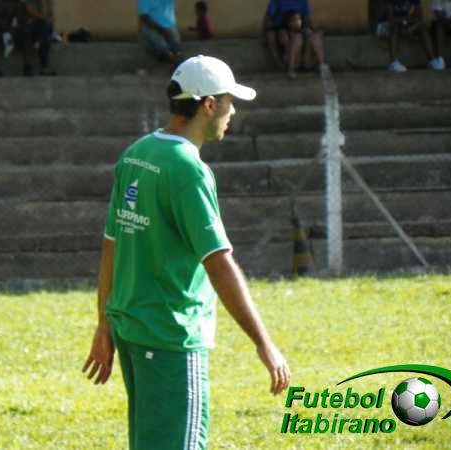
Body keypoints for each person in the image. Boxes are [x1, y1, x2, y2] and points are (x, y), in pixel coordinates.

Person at [83, 55, 291, 450]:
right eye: (229, 102)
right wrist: (264, 343)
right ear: (209, 104)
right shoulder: (188, 170)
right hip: (171, 338)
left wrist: (104, 325)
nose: (232, 113)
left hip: (131, 332)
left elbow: (111, 245)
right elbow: (219, 263)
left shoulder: (136, 154)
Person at [262, 0, 326, 79]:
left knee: (316, 36)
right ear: (289, 23)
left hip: (306, 62)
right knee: (297, 38)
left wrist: (309, 30)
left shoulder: (303, 2)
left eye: (299, 19)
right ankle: (290, 68)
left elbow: (307, 20)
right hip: (294, 62)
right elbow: (268, 18)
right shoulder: (283, 33)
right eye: (295, 20)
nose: (297, 21)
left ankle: (323, 66)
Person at [385, 0, 443, 73]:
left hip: (404, 22)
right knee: (394, 28)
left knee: (422, 28)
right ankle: (393, 63)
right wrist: (406, 20)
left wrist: (412, 28)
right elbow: (391, 19)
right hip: (386, 24)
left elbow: (419, 17)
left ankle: (432, 61)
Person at [138, 0, 182, 64]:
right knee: (163, 48)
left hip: (170, 26)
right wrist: (162, 30)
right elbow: (144, 17)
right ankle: (172, 60)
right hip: (152, 28)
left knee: (176, 48)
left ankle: (175, 59)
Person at [18, 0, 55, 75]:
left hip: (38, 27)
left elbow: (50, 16)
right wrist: (44, 18)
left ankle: (39, 42)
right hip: (24, 27)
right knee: (44, 28)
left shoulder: (42, 2)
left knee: (46, 31)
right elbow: (32, 13)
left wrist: (49, 6)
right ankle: (40, 67)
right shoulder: (25, 2)